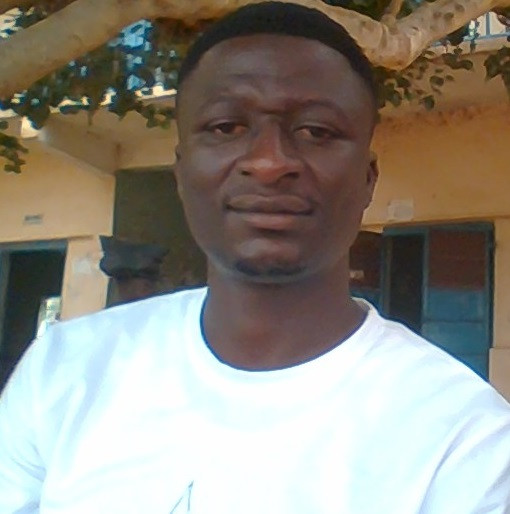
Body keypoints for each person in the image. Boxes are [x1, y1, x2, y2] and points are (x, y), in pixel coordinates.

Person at [1, 3, 510, 513]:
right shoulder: (64, 372)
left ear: (367, 179)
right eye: (226, 127)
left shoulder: (466, 441)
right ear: (181, 173)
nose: (269, 163)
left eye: (317, 130)